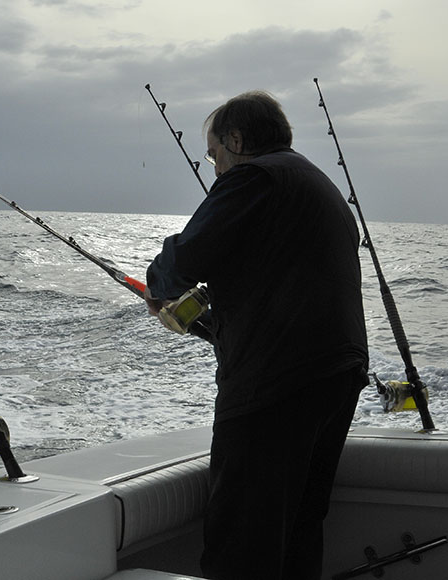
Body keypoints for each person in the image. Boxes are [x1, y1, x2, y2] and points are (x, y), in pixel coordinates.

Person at [144, 91, 369, 580]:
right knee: (297, 533)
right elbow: (283, 290)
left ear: (237, 139)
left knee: (242, 542)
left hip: (275, 386)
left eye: (214, 155)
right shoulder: (318, 186)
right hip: (336, 376)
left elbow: (185, 260)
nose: (216, 169)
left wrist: (157, 283)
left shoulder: (254, 176)